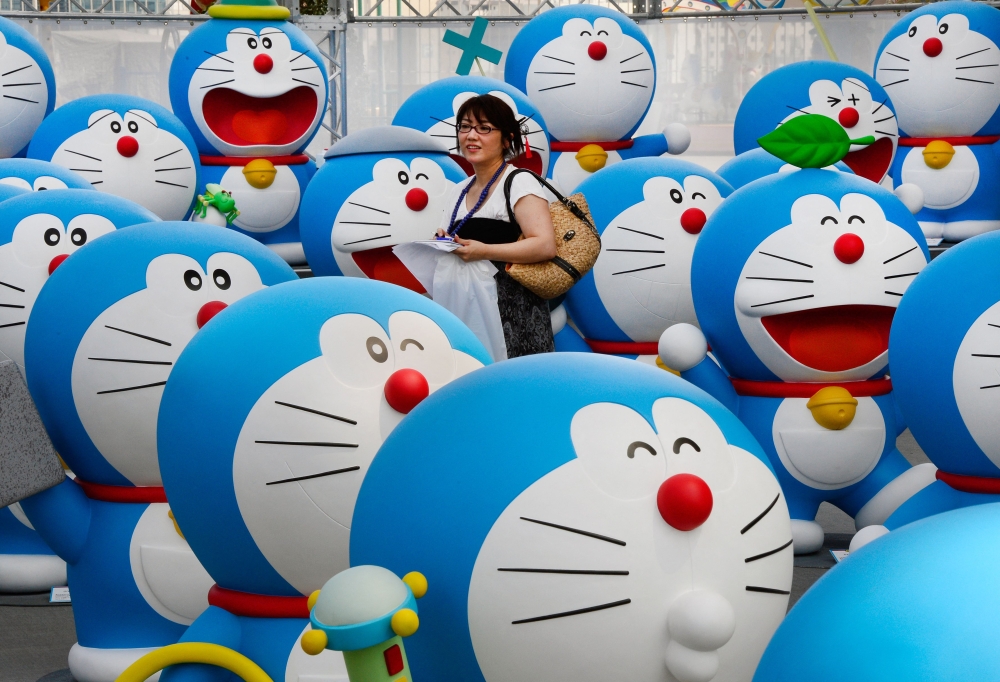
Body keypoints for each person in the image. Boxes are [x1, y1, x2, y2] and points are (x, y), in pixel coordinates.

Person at [436, 94, 557, 358]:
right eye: (465, 127)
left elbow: (545, 245)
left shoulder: (520, 181)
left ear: (507, 139)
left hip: (513, 315)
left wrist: (484, 250)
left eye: (484, 128)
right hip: (466, 308)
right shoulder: (458, 190)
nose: (471, 136)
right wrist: (444, 240)